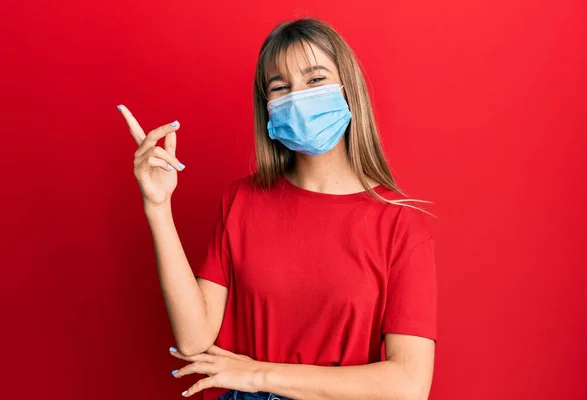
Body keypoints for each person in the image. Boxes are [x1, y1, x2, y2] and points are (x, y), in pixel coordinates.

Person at [119, 18, 437, 400]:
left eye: (315, 79)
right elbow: (193, 339)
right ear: (267, 108)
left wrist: (257, 375)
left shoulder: (400, 224)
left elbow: (408, 385)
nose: (298, 97)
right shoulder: (242, 201)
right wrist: (158, 207)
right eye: (280, 87)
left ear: (348, 90)